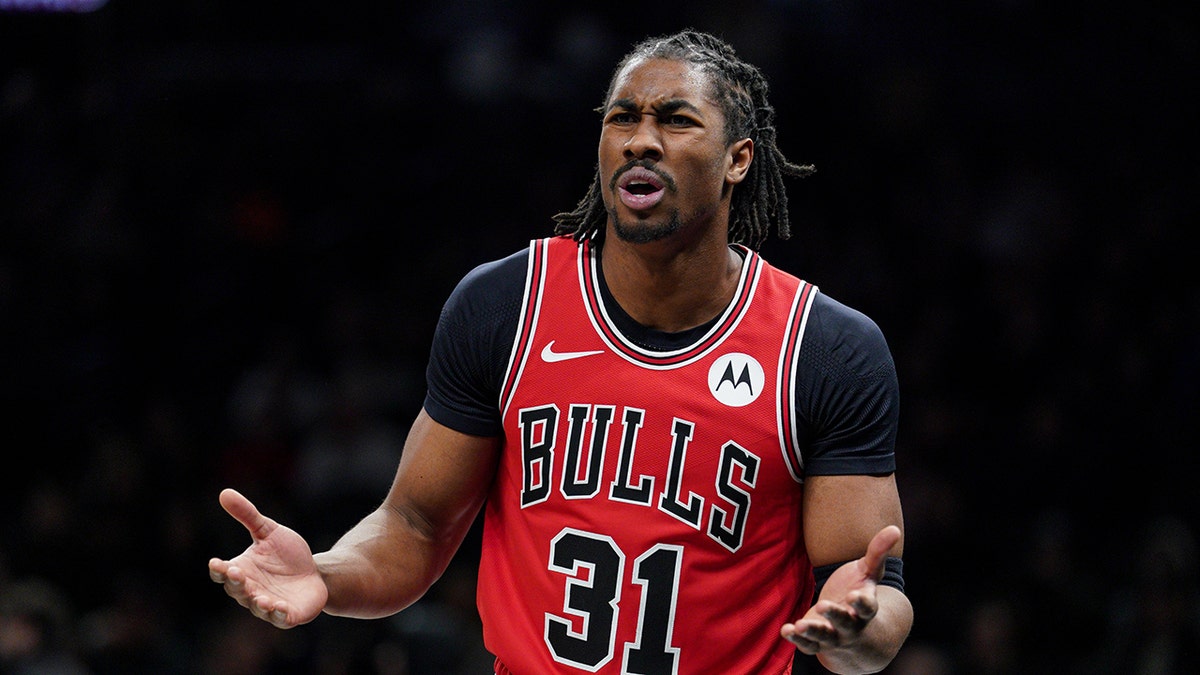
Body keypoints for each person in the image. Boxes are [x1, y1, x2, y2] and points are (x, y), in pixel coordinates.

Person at [209, 29, 913, 675]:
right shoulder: (508, 303)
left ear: (738, 158)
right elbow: (414, 525)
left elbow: (870, 595)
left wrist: (859, 627)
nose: (641, 140)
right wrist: (325, 575)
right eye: (622, 118)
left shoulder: (824, 348)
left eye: (675, 119)